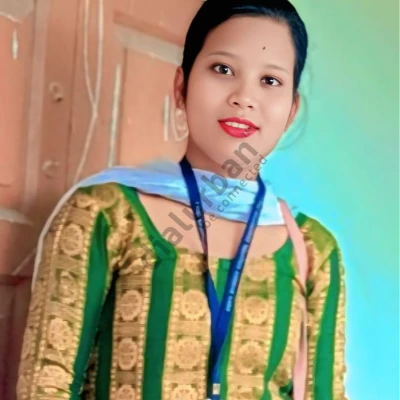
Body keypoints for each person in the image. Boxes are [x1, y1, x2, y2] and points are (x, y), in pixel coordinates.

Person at [16, 1, 348, 399]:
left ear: (290, 111)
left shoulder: (311, 249)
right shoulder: (106, 216)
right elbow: (46, 384)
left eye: (270, 80)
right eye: (223, 69)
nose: (244, 97)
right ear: (181, 86)